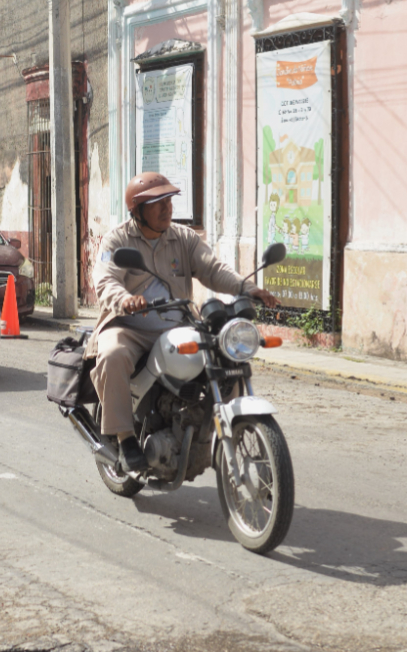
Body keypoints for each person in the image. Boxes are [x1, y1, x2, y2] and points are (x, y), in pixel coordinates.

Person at [87, 172, 279, 472]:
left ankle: (218, 428)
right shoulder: (117, 240)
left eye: (169, 201)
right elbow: (105, 279)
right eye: (157, 203)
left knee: (226, 355)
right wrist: (125, 300)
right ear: (137, 210)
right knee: (111, 355)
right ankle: (125, 437)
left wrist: (247, 288)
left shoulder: (183, 237)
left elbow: (213, 269)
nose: (167, 209)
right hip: (130, 327)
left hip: (178, 325)